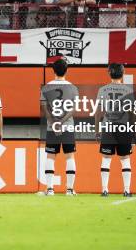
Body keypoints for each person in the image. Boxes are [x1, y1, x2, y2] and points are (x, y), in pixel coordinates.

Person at [94, 64, 136, 197]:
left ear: (109, 73)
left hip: (108, 127)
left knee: (106, 158)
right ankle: (127, 190)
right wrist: (133, 133)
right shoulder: (128, 90)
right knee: (125, 159)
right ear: (123, 73)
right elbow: (132, 113)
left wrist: (97, 130)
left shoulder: (103, 90)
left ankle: (105, 190)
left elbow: (98, 112)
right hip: (124, 127)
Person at [40, 58, 78, 195]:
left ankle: (49, 189)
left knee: (50, 156)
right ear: (66, 70)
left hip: (52, 128)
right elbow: (73, 109)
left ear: (53, 70)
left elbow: (45, 108)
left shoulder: (46, 87)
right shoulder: (73, 87)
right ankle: (69, 189)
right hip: (68, 127)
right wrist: (62, 123)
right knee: (70, 156)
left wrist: (54, 123)